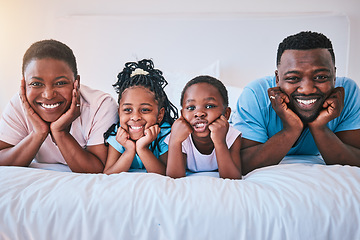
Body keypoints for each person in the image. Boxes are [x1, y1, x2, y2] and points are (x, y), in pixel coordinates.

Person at [233, 31, 360, 175]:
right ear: (277, 78)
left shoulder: (347, 93)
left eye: (321, 77)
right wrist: (291, 129)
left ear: (334, 76)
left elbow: (355, 160)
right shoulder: (255, 94)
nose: (306, 90)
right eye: (293, 78)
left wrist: (319, 127)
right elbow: (240, 164)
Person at [0, 39, 118, 173]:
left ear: (76, 83)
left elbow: (97, 169)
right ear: (24, 84)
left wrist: (60, 132)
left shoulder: (100, 106)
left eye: (60, 83)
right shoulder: (19, 104)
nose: (48, 95)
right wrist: (38, 133)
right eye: (36, 84)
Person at [103, 59, 178, 175]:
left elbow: (166, 174)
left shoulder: (165, 133)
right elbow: (108, 174)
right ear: (119, 112)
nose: (135, 117)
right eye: (128, 110)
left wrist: (142, 148)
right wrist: (129, 150)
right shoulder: (117, 134)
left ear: (160, 115)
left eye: (145, 110)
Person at [166, 75, 242, 179]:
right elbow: (174, 179)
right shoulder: (179, 136)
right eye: (191, 107)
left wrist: (220, 142)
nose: (199, 113)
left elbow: (233, 179)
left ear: (227, 113)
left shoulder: (232, 136)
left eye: (209, 106)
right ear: (182, 115)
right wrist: (175, 141)